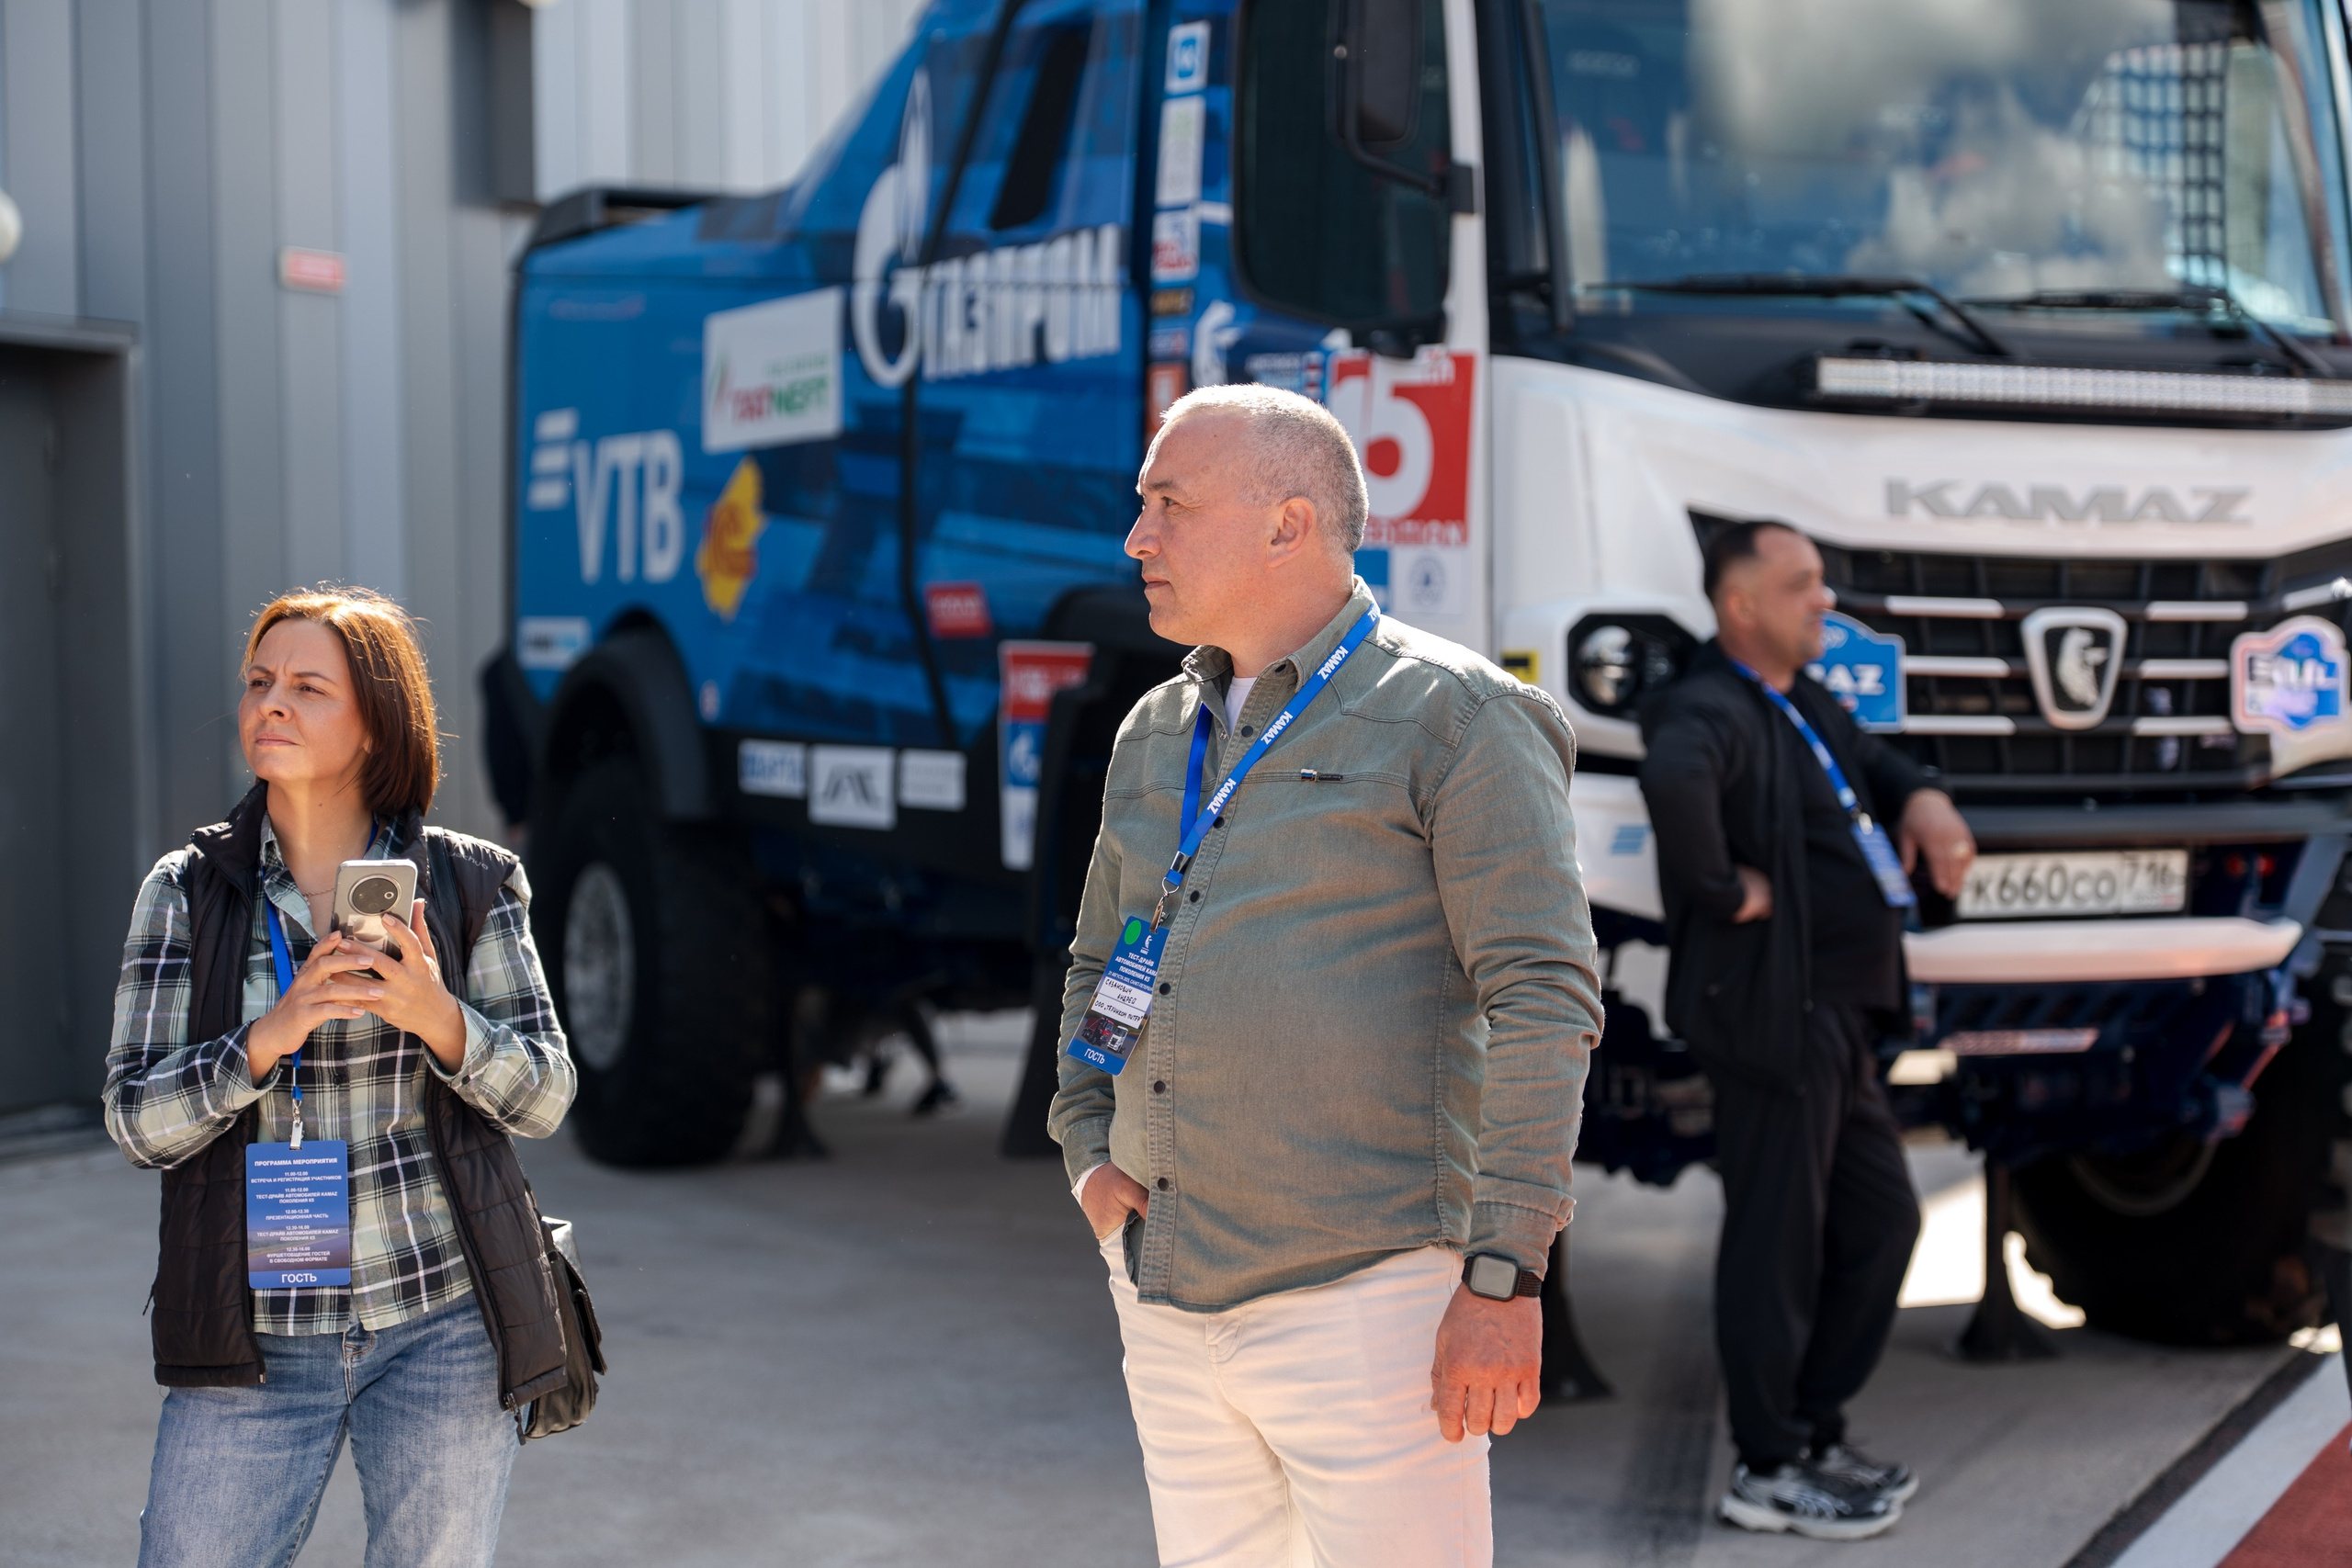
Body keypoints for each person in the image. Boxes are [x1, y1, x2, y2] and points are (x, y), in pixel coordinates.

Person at [1050, 384, 1602, 1567]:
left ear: (1286, 524)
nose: (1136, 538)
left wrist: (1501, 1280)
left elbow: (1542, 999)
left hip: (1373, 1301)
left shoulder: (1457, 717)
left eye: (1167, 506)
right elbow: (1104, 958)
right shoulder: (1158, 727)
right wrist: (1086, 1146)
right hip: (1161, 1284)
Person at [103, 588, 577, 1568]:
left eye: (307, 687)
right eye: (259, 683)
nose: (270, 703)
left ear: (374, 725)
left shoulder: (473, 882)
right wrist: (268, 1037)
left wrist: (438, 1018)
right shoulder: (183, 891)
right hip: (254, 1334)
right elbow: (134, 1120)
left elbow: (545, 1097)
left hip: (443, 1323)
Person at [1637, 521, 1974, 1541]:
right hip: (1776, 1019)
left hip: (1836, 1017)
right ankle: (1768, 1465)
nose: (1823, 601)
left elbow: (1868, 757)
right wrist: (1716, 888)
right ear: (1741, 606)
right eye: (1801, 586)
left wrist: (1918, 796)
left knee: (1879, 1225)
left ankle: (1812, 1433)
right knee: (1776, 1243)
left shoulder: (1797, 701)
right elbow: (1671, 777)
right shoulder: (1711, 705)